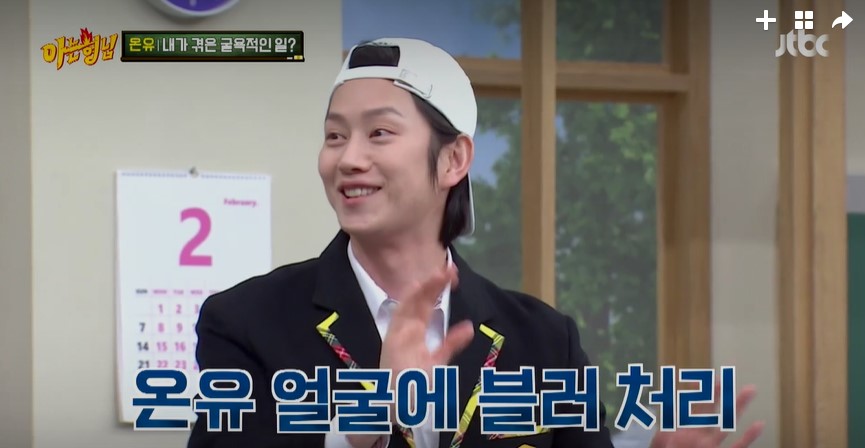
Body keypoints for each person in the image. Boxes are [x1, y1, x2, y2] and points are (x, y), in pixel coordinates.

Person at [187, 37, 765, 448]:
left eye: (379, 133)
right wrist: (366, 420)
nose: (349, 158)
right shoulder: (245, 322)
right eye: (334, 136)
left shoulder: (545, 341)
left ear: (454, 159)